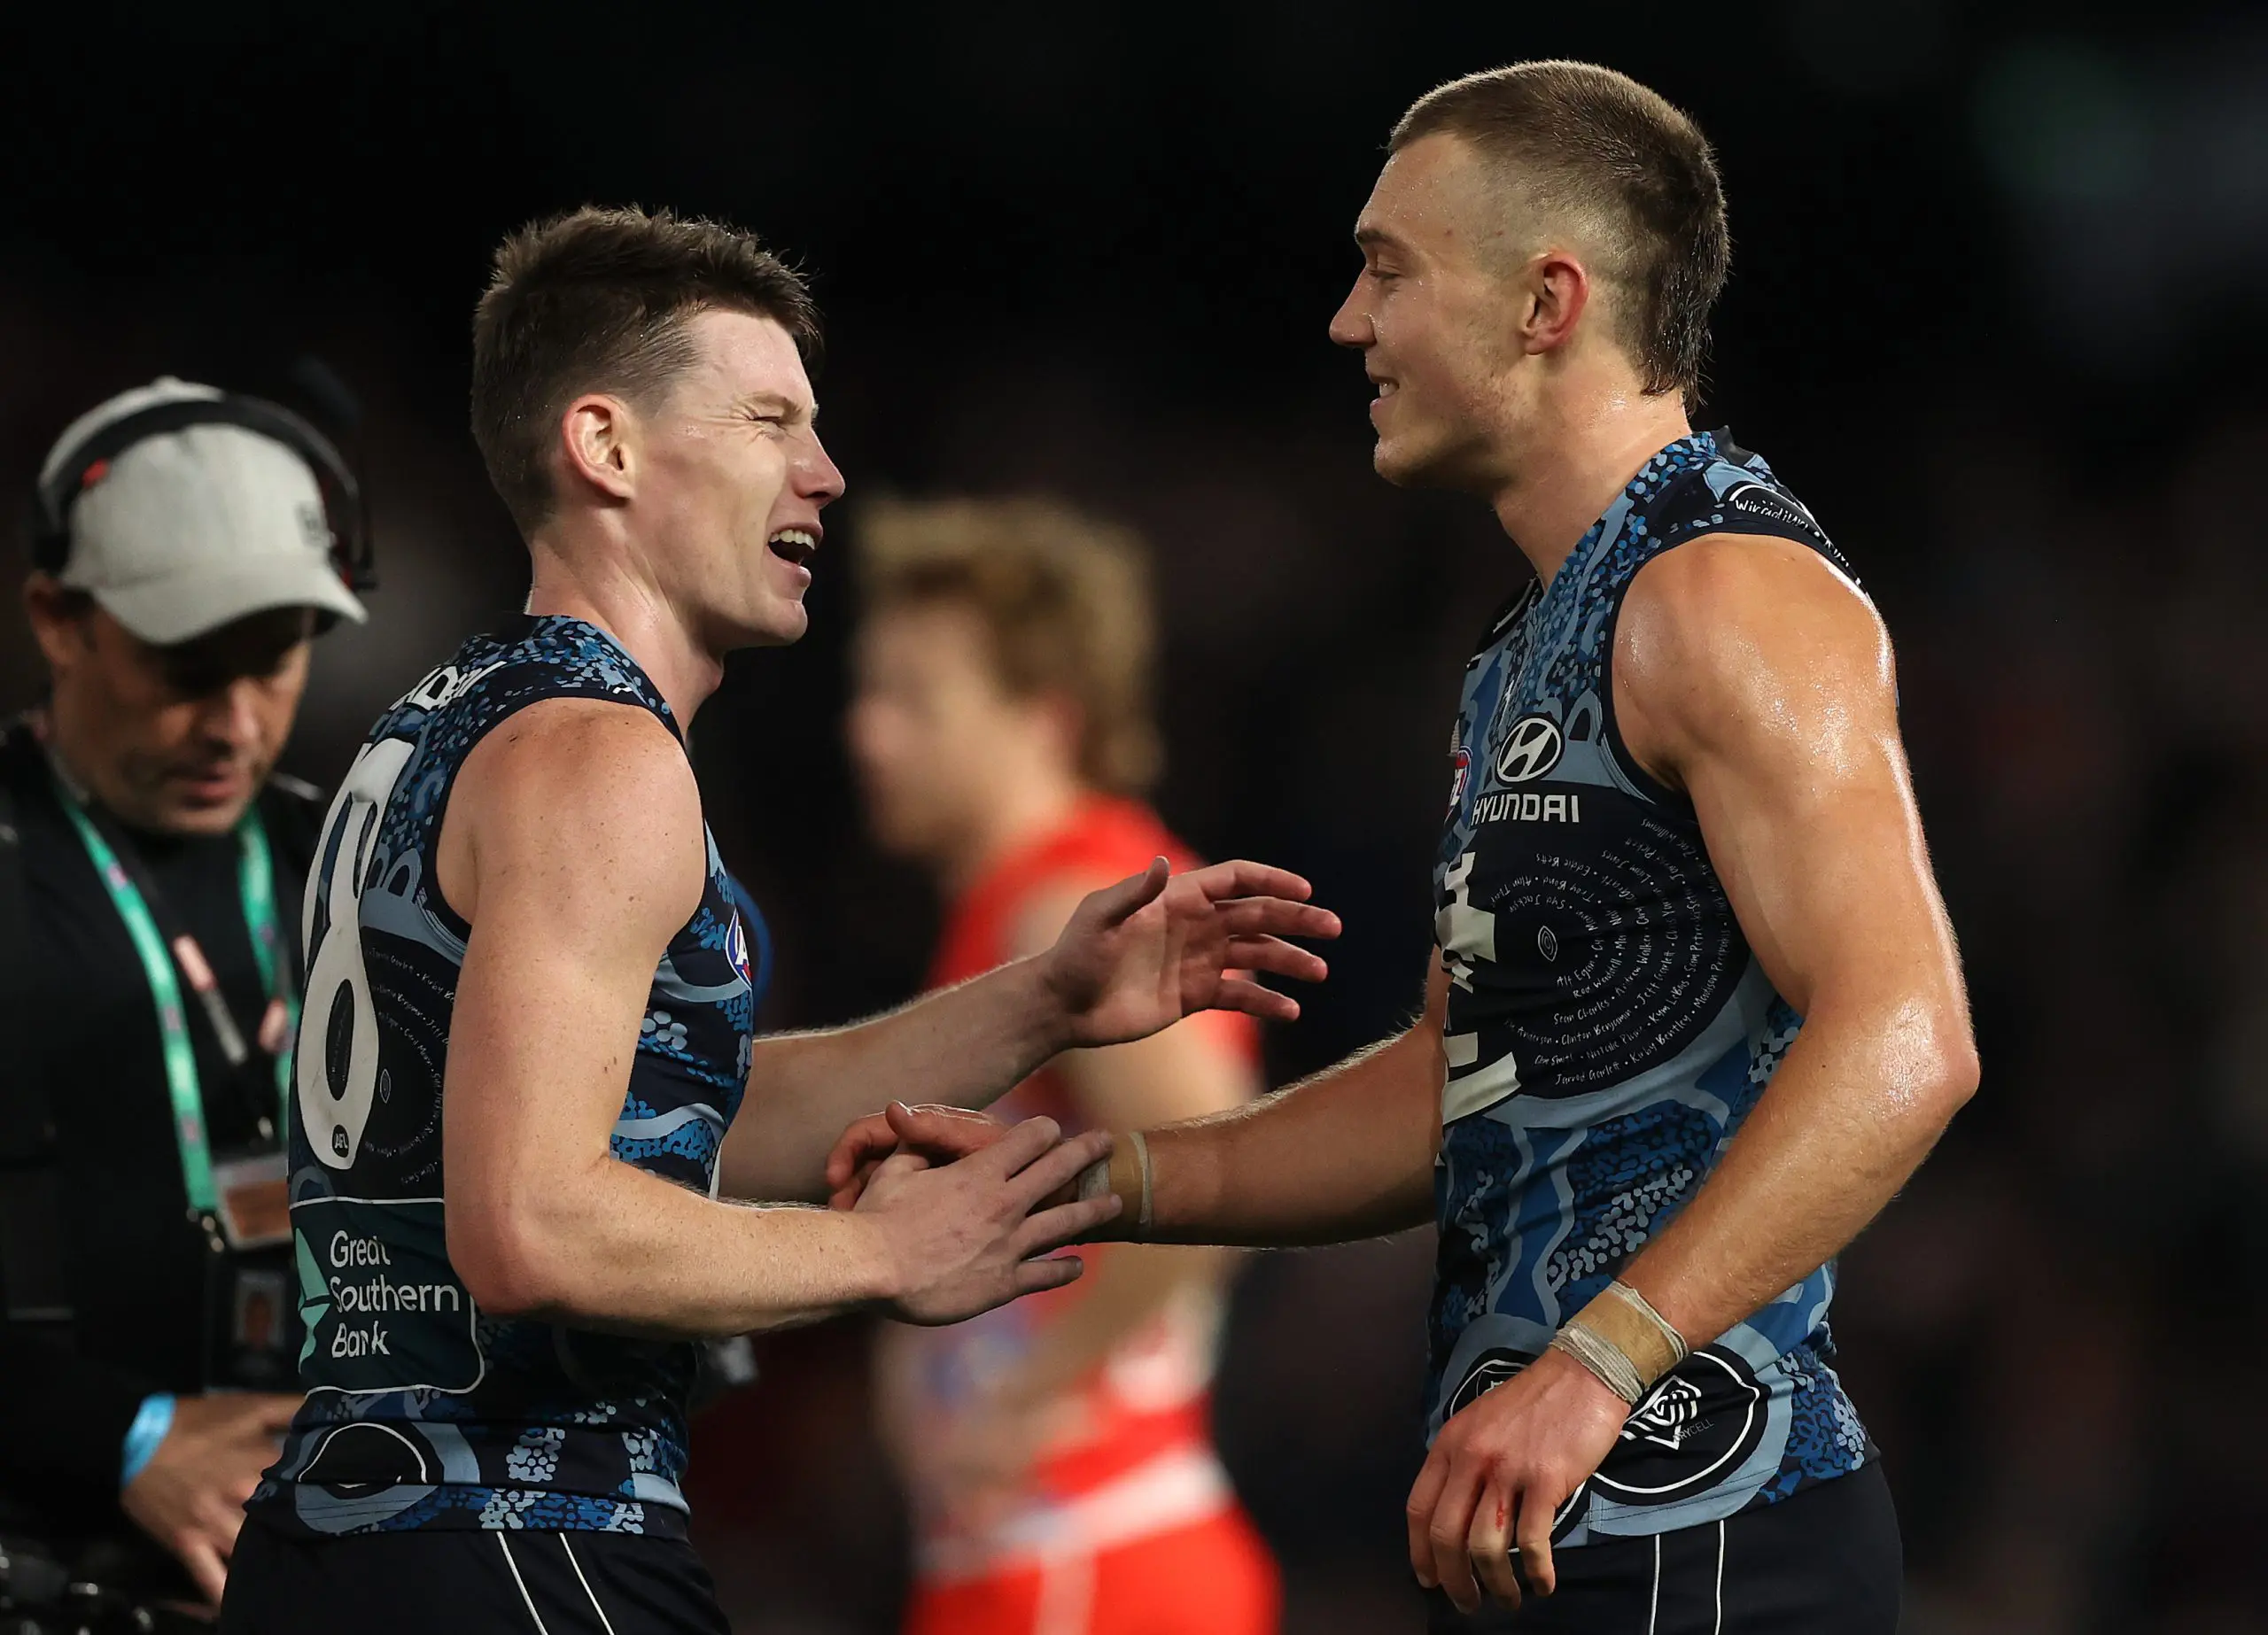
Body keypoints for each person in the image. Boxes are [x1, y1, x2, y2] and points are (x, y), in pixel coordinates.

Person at [831, 63, 1979, 1633]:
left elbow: (1907, 1036)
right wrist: (1102, 1182)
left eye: (1389, 270)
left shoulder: (1725, 594)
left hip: (1714, 1525)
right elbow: (1455, 1085)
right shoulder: (1521, 645)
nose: (1346, 323)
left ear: (1546, 300)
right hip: (1539, 1521)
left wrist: (1598, 1361)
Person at [218, 206, 1337, 1635]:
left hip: (349, 1538)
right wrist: (886, 1255)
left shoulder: (442, 723)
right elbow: (535, 1224)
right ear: (605, 447)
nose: (824, 472)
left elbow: (659, 1120)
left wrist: (1044, 1001)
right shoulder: (598, 760)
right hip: (523, 1535)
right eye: (767, 421)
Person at [845, 498, 1280, 1635]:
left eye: (913, 699)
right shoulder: (1015, 911)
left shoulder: (1068, 910)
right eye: (868, 690)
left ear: (1044, 716)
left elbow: (1225, 1185)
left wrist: (1033, 1392)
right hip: (1035, 1559)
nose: (868, 734)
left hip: (1086, 1563)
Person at [0, 376, 370, 1620]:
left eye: (272, 664)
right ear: (58, 617)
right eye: (181, 665)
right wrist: (124, 1432)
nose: (230, 722)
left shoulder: (367, 873)